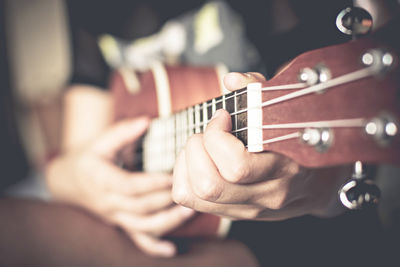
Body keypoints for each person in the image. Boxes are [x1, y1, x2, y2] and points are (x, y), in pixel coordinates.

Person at [45, 0, 398, 265]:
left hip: (289, 235)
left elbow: (323, 108)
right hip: (165, 231)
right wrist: (68, 177)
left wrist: (320, 186)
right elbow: (77, 150)